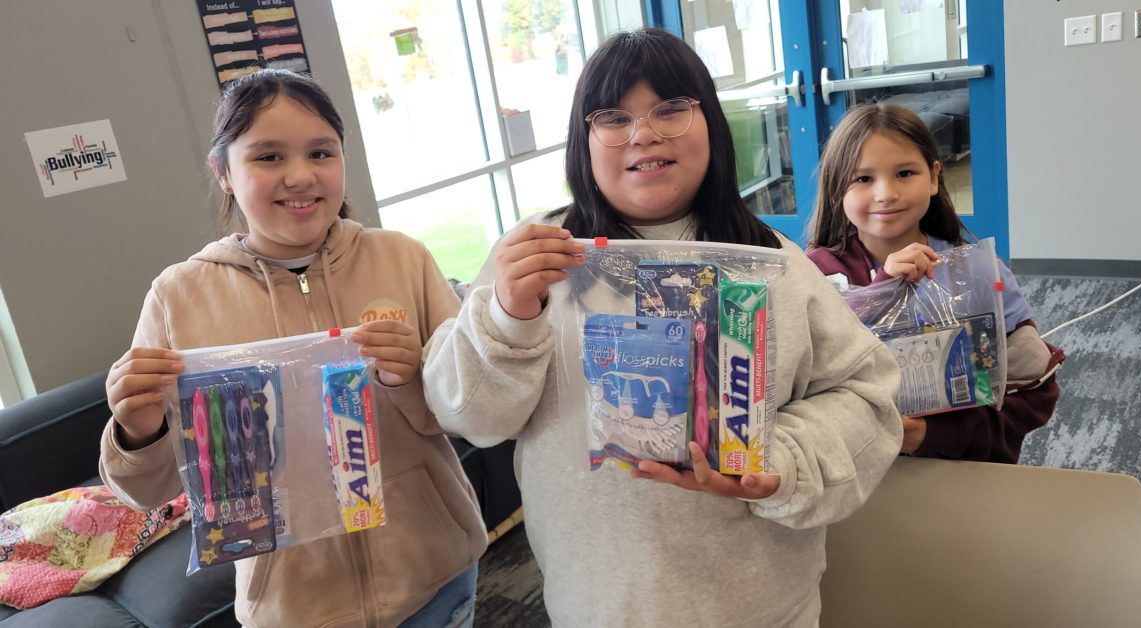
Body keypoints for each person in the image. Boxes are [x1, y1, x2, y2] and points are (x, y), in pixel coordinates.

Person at [422, 28, 902, 627]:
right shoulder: (535, 259)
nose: (643, 133)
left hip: (762, 604)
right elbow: (467, 416)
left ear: (712, 126)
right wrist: (507, 318)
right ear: (583, 140)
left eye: (670, 109)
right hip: (597, 603)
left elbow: (868, 393)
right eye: (613, 117)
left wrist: (779, 461)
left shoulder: (774, 265)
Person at [99, 69, 485, 627]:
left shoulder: (403, 259)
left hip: (435, 577)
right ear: (223, 172)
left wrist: (414, 378)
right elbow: (149, 491)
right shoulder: (179, 296)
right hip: (295, 608)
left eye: (321, 153)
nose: (301, 176)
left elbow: (471, 414)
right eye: (269, 157)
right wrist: (140, 430)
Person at [806, 103, 1065, 464]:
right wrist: (884, 288)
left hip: (950, 467)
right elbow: (805, 375)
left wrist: (933, 435)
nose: (885, 193)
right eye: (863, 178)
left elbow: (1033, 392)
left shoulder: (977, 275)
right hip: (848, 472)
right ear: (837, 188)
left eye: (905, 173)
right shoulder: (814, 274)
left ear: (933, 177)